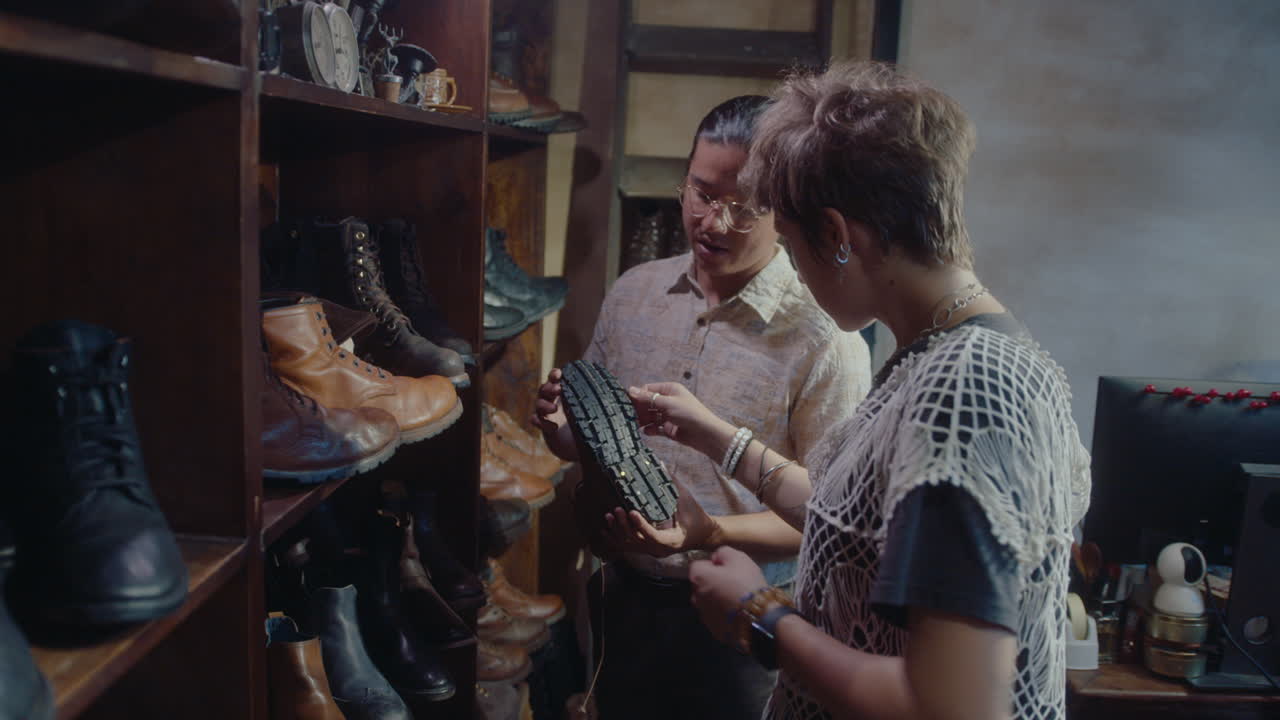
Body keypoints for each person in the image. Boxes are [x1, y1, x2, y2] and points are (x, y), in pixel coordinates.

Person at [612, 62, 1091, 720]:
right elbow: (866, 523)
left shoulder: (967, 387)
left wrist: (761, 616)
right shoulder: (946, 350)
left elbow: (952, 707)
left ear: (838, 236)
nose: (796, 269)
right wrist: (714, 436)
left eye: (791, 242)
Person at [533, 95, 872, 720]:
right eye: (701, 193)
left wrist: (708, 534)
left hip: (742, 619)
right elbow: (595, 449)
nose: (713, 222)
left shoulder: (825, 339)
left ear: (782, 209)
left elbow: (830, 521)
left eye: (743, 207)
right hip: (622, 598)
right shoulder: (635, 292)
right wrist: (563, 431)